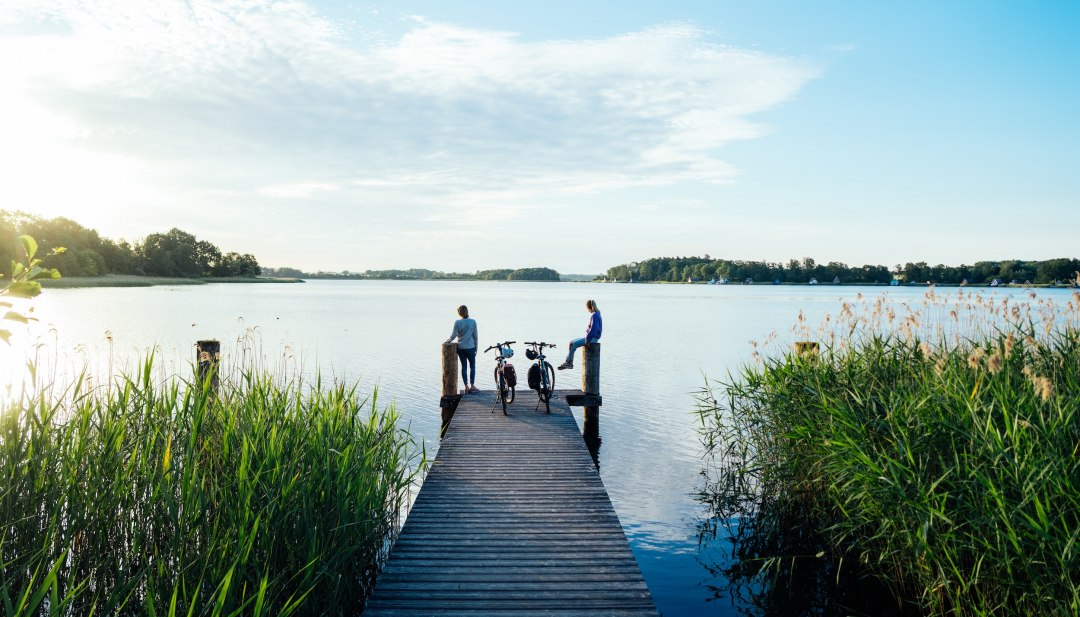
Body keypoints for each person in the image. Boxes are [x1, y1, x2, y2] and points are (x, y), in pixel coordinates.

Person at [558, 299, 601, 370]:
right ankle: (568, 361)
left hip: (592, 338)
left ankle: (569, 363)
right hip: (592, 337)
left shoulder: (595, 315)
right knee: (571, 342)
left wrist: (587, 340)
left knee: (573, 344)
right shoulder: (597, 314)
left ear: (588, 307)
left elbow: (594, 330)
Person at [445, 305, 479, 393]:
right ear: (467, 311)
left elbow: (453, 335)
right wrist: (476, 348)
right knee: (472, 367)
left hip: (461, 348)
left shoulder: (457, 322)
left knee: (464, 367)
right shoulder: (473, 322)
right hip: (471, 348)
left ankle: (466, 386)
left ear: (459, 313)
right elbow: (475, 337)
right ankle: (472, 385)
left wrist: (448, 341)